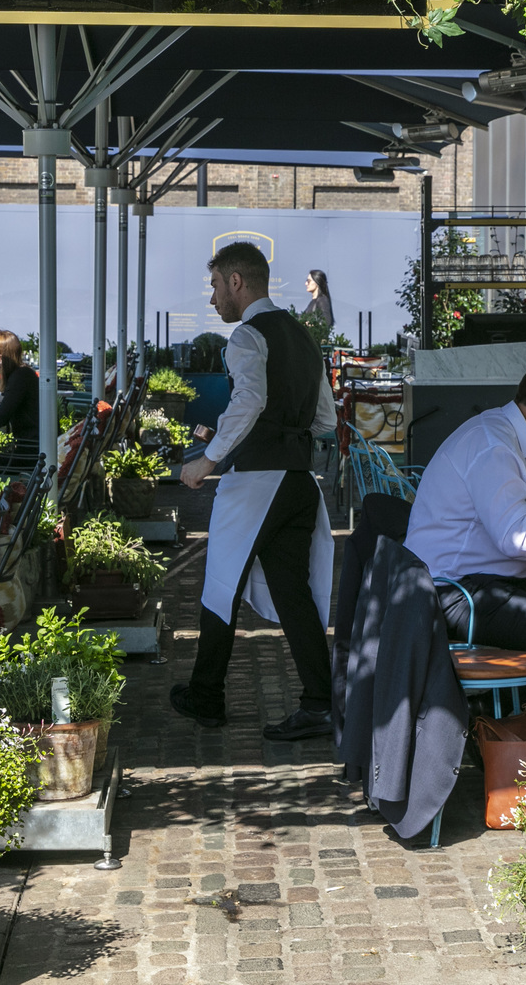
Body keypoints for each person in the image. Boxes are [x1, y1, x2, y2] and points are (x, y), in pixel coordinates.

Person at [170, 241, 339, 741]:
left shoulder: (246, 335)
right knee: (293, 594)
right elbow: (325, 420)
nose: (213, 298)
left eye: (215, 286)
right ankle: (320, 701)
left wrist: (208, 459)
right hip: (299, 482)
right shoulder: (304, 336)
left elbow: (248, 400)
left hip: (257, 482)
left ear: (237, 282)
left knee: (221, 584)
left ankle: (207, 696)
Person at [403, 357, 526, 702]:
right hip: (454, 593)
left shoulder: (499, 432)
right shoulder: (494, 446)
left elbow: (508, 509)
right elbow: (519, 537)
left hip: (476, 583)